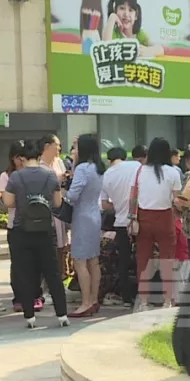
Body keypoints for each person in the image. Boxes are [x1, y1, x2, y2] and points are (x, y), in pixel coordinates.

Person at [2, 139, 69, 329]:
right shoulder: (50, 175)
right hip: (45, 230)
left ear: (22, 158)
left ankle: (30, 317)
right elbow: (57, 203)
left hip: (21, 230)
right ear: (39, 156)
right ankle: (62, 314)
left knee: (24, 273)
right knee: (52, 273)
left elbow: (8, 202)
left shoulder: (16, 177)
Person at [133, 137, 180, 310]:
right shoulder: (173, 172)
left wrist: (132, 218)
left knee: (143, 260)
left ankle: (143, 301)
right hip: (165, 218)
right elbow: (177, 200)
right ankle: (167, 300)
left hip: (144, 218)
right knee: (167, 259)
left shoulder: (140, 171)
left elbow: (133, 196)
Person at [66, 134, 106, 317]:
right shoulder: (98, 167)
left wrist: (63, 193)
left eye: (76, 146)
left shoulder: (82, 168)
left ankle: (85, 302)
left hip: (82, 216)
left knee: (80, 260)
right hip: (94, 214)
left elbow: (73, 195)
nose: (74, 150)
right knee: (93, 260)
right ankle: (94, 299)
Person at [100, 146, 143, 309]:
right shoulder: (136, 166)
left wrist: (118, 206)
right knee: (142, 257)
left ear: (109, 160)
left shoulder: (106, 175)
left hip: (120, 223)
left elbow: (105, 204)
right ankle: (143, 294)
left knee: (123, 260)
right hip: (139, 220)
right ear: (124, 156)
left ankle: (126, 297)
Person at [0, 141, 30, 312]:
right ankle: (18, 297)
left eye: (23, 157)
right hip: (15, 224)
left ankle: (35, 294)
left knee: (33, 262)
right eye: (18, 157)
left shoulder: (32, 173)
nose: (21, 160)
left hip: (33, 223)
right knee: (17, 263)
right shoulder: (6, 176)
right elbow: (8, 202)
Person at [37, 134, 70, 280]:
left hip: (61, 208)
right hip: (46, 210)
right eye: (57, 145)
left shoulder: (59, 162)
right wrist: (57, 179)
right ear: (47, 146)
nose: (59, 148)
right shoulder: (38, 166)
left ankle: (61, 275)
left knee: (62, 244)